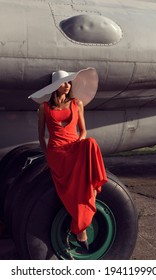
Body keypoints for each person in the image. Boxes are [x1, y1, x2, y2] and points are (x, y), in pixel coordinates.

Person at [28, 68, 107, 252]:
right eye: (64, 83)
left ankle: (83, 219)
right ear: (55, 87)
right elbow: (41, 137)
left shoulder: (77, 103)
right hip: (57, 152)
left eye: (69, 83)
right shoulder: (44, 108)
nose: (68, 86)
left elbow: (83, 131)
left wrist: (77, 145)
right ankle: (81, 228)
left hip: (74, 146)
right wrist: (47, 157)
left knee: (90, 142)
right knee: (82, 167)